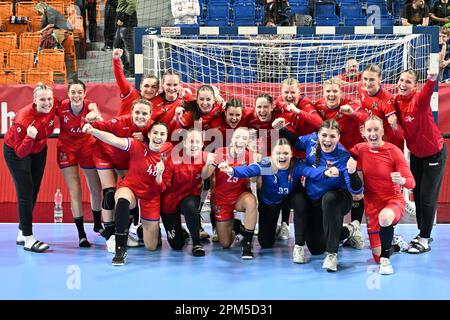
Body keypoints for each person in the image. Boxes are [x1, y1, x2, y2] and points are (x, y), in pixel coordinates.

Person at [272, 118, 364, 272]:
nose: (327, 140)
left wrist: (353, 173)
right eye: (324, 135)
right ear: (318, 135)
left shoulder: (343, 157)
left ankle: (332, 255)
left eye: (332, 136)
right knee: (315, 248)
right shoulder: (311, 140)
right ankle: (351, 229)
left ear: (338, 137)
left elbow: (356, 191)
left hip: (338, 199)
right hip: (314, 199)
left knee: (329, 198)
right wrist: (282, 129)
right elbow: (297, 142)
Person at [83, 121, 172, 266]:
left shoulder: (168, 154)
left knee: (151, 246)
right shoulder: (136, 145)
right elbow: (114, 140)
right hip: (131, 188)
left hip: (151, 196)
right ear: (148, 134)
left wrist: (159, 175)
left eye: (162, 134)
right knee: (122, 199)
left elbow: (160, 188)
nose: (158, 137)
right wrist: (93, 131)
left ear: (166, 137)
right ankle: (120, 248)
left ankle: (143, 229)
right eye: (155, 133)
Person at [220, 138, 325, 250]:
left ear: (291, 154)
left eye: (285, 153)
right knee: (265, 243)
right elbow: (248, 170)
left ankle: (299, 244)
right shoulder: (266, 165)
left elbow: (311, 171)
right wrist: (231, 170)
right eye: (278, 153)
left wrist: (326, 172)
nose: (282, 157)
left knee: (300, 199)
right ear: (271, 155)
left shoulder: (296, 165)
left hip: (288, 199)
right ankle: (268, 228)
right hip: (270, 203)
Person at [349, 116, 415, 274]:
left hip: (392, 200)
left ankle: (387, 261)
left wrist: (402, 180)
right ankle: (395, 244)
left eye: (376, 129)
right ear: (364, 132)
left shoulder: (393, 151)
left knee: (385, 218)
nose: (372, 133)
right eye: (369, 130)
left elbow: (412, 182)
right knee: (376, 257)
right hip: (372, 204)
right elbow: (341, 156)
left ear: (382, 131)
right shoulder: (360, 149)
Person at [394, 69, 447, 254]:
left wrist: (432, 79)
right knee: (417, 194)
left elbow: (428, 90)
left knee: (427, 197)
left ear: (414, 86)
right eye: (401, 80)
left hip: (434, 154)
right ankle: (422, 232)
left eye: (408, 82)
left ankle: (424, 238)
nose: (403, 84)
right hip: (416, 155)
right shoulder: (397, 101)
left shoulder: (419, 100)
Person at [90, 99, 153, 251]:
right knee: (110, 193)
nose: (140, 116)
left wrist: (145, 139)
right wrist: (90, 118)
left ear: (150, 115)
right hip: (104, 154)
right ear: (131, 113)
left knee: (131, 193)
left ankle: (126, 231)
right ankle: (110, 236)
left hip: (125, 158)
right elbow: (96, 126)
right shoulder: (119, 122)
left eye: (144, 113)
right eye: (137, 112)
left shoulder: (151, 128)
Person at [4, 83, 56, 253]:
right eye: (42, 99)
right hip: (18, 151)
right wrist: (29, 137)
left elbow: (69, 104)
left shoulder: (52, 107)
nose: (47, 102)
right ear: (34, 100)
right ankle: (28, 238)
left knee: (34, 190)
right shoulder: (23, 118)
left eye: (49, 98)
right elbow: (20, 152)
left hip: (39, 149)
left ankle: (21, 232)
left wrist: (89, 106)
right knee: (25, 191)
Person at [56, 81, 104, 247]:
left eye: (79, 92)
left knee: (96, 188)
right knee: (75, 189)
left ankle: (98, 224)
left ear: (85, 94)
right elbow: (43, 109)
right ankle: (81, 234)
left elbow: (96, 113)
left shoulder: (90, 106)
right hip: (66, 148)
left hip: (86, 147)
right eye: (73, 92)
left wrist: (95, 116)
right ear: (68, 94)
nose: (76, 96)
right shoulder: (61, 107)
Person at [314, 78, 366, 230]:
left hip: (351, 156)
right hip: (329, 156)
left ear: (341, 92)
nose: (331, 94)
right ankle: (329, 227)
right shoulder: (318, 107)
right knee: (329, 193)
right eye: (328, 91)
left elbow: (366, 118)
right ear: (323, 93)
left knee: (357, 193)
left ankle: (355, 227)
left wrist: (353, 114)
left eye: (335, 91)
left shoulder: (350, 105)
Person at [201, 127, 258, 259]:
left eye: (244, 138)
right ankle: (237, 226)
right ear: (232, 139)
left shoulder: (249, 155)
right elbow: (204, 176)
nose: (240, 141)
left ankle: (247, 243)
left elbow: (254, 180)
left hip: (240, 197)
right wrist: (210, 163)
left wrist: (255, 164)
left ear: (248, 142)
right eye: (237, 137)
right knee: (225, 243)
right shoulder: (220, 153)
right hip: (222, 200)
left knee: (251, 201)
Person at [161, 129, 208, 256]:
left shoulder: (206, 158)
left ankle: (196, 242)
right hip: (169, 204)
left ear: (202, 144)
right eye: (190, 141)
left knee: (189, 205)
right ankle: (182, 232)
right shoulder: (173, 160)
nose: (194, 145)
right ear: (184, 143)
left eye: (197, 141)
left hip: (189, 198)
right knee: (176, 245)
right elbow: (162, 186)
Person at [357, 64, 404, 151]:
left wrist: (394, 126)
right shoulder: (361, 88)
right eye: (365, 79)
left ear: (379, 80)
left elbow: (396, 129)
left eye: (372, 79)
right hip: (372, 136)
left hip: (388, 141)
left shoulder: (386, 100)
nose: (367, 83)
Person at [112, 48, 159, 116]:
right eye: (146, 86)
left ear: (157, 89)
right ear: (140, 86)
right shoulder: (131, 94)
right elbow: (120, 78)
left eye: (153, 87)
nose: (149, 90)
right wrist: (116, 60)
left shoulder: (159, 103)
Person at [113, 0, 137, 77]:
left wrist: (122, 18)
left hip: (127, 22)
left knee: (130, 47)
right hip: (122, 20)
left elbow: (132, 4)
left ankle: (132, 70)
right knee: (117, 45)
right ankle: (127, 66)